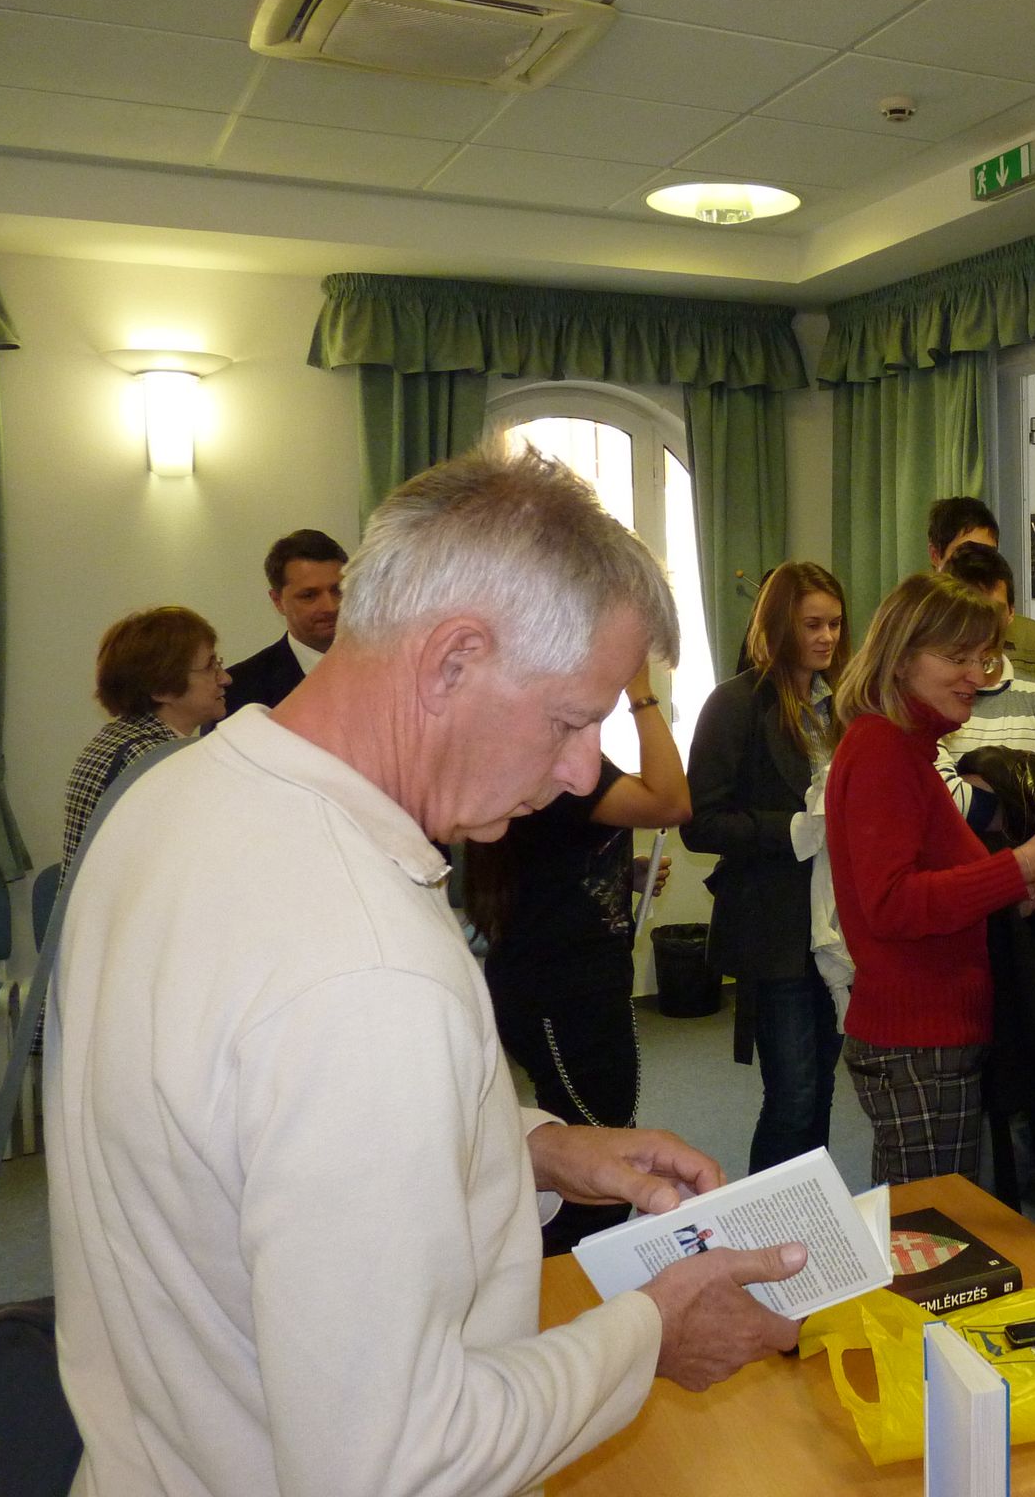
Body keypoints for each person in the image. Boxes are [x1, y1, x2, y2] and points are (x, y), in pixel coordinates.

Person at [45, 446, 806, 1497]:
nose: (579, 771)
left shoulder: (176, 798)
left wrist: (532, 1149)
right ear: (452, 659)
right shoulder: (366, 968)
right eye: (570, 719)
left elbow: (242, 1131)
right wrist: (649, 1337)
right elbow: (397, 1465)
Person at [825, 571, 1035, 1185]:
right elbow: (891, 904)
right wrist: (1021, 867)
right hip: (918, 1037)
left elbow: (935, 879)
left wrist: (1013, 886)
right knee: (933, 1230)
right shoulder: (884, 749)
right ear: (901, 656)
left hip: (932, 1031)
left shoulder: (907, 748)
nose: (978, 674)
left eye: (984, 658)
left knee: (929, 1220)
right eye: (957, 657)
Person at [466, 665, 691, 1254]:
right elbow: (671, 799)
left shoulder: (558, 752)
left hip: (577, 979)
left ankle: (576, 1278)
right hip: (558, 988)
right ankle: (565, 1281)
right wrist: (641, 694)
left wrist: (620, 873)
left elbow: (550, 853)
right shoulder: (551, 758)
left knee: (602, 1135)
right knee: (596, 1162)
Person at [685, 562, 850, 1174]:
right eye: (812, 624)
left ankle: (811, 1215)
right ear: (779, 625)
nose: (827, 637)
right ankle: (770, 1219)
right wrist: (792, 830)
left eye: (835, 624)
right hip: (775, 925)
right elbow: (700, 823)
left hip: (836, 920)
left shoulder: (845, 703)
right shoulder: (734, 704)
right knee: (792, 1095)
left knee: (823, 1088)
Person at [934, 543, 1035, 827]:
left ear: (1011, 612)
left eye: (994, 610)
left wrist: (1009, 777)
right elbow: (949, 804)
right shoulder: (933, 699)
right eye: (971, 610)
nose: (984, 624)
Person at [61, 605, 230, 865]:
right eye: (210, 666)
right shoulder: (157, 760)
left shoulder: (119, 738)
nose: (225, 678)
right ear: (162, 689)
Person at [924, 496, 1035, 698]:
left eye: (988, 553)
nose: (977, 564)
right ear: (935, 556)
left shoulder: (1034, 641)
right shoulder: (912, 631)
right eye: (964, 554)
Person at [222, 528, 347, 714]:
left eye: (338, 590)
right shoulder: (238, 691)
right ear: (277, 601)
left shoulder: (386, 667)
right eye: (309, 595)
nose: (330, 607)